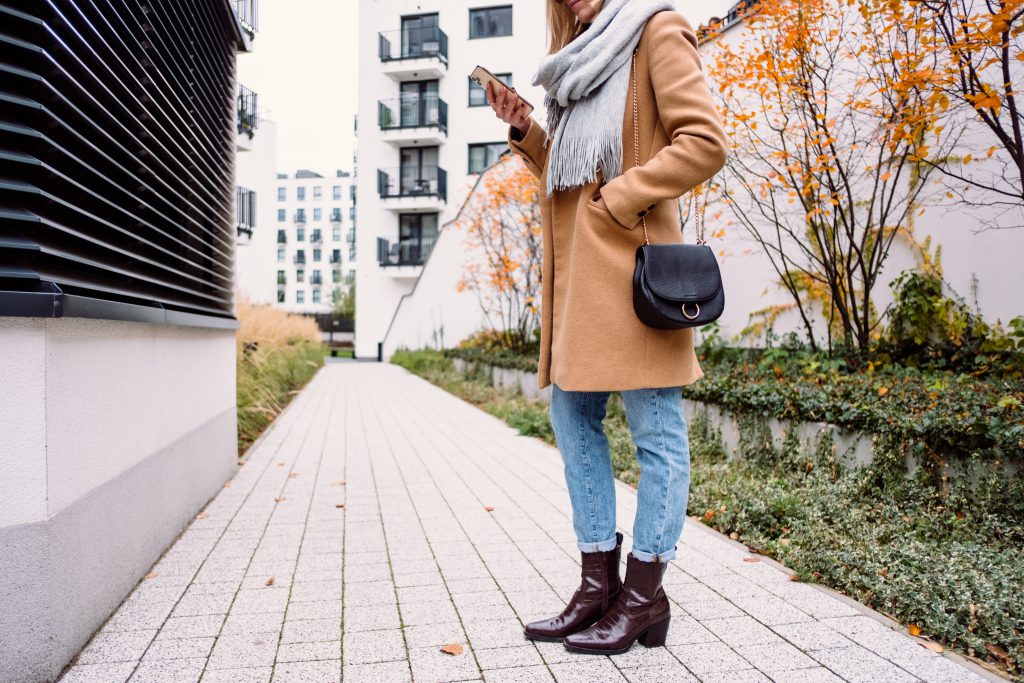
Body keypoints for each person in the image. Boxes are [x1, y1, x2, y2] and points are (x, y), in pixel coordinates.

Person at [485, 0, 728, 656]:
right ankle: (599, 588)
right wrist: (529, 130)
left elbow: (704, 141)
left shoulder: (655, 28)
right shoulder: (578, 62)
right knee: (572, 422)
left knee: (658, 437)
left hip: (634, 275)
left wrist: (620, 197)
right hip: (579, 290)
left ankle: (645, 597)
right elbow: (568, 173)